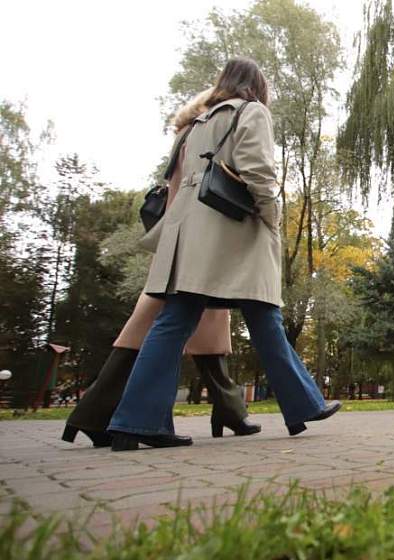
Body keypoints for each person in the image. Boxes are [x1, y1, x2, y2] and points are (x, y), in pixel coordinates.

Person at [106, 57, 339, 451]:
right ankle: (303, 404)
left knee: (176, 321)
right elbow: (258, 171)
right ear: (257, 86)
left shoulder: (197, 122)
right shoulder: (252, 112)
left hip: (187, 232)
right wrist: (272, 217)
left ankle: (135, 421)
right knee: (264, 314)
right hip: (231, 230)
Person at [62, 88, 259, 448]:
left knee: (188, 329)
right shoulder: (201, 134)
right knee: (163, 328)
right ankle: (95, 414)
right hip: (193, 243)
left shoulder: (185, 136)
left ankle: (227, 410)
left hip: (182, 240)